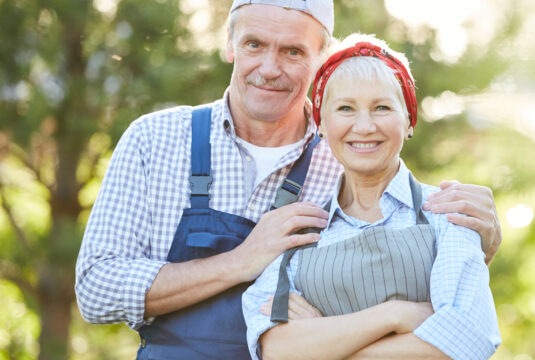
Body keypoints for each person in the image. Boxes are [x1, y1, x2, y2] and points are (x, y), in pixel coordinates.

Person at [75, 1, 503, 359]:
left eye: (293, 52)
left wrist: (484, 240)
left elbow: (430, 291)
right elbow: (95, 290)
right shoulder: (157, 140)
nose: (269, 67)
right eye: (254, 44)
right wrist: (242, 260)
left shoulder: (349, 157)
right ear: (230, 45)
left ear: (323, 59)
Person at [243, 34, 501, 360]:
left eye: (381, 107)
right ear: (322, 125)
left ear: (408, 121)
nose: (364, 126)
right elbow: (277, 350)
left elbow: (469, 341)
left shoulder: (449, 213)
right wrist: (394, 314)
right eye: (346, 108)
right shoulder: (297, 234)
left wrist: (325, 342)